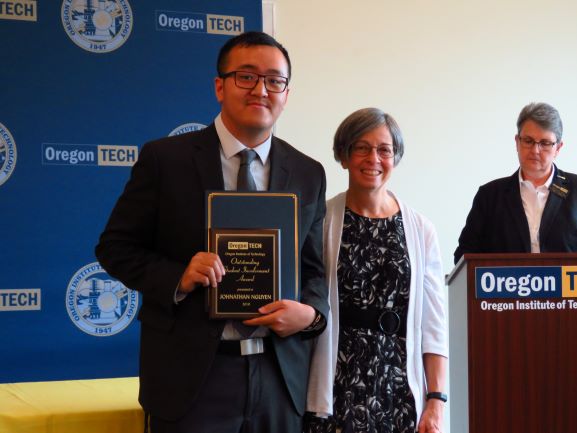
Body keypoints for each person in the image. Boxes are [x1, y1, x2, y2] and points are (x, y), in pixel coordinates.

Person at [95, 31, 329, 433]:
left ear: (286, 94)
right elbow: (115, 248)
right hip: (191, 379)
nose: (261, 90)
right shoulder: (165, 159)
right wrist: (179, 276)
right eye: (246, 76)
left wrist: (311, 315)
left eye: (274, 81)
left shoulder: (308, 172)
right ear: (220, 86)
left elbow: (314, 270)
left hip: (280, 378)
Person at [304, 108, 448, 433]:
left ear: (395, 157)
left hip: (400, 390)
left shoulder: (421, 230)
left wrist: (436, 400)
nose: (374, 159)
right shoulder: (320, 222)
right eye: (362, 148)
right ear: (344, 156)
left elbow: (434, 325)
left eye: (384, 150)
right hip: (335, 387)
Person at [454, 102, 577, 264]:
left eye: (545, 143)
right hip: (505, 280)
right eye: (528, 140)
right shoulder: (489, 196)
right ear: (517, 142)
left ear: (558, 148)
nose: (535, 150)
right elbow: (464, 255)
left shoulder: (575, 190)